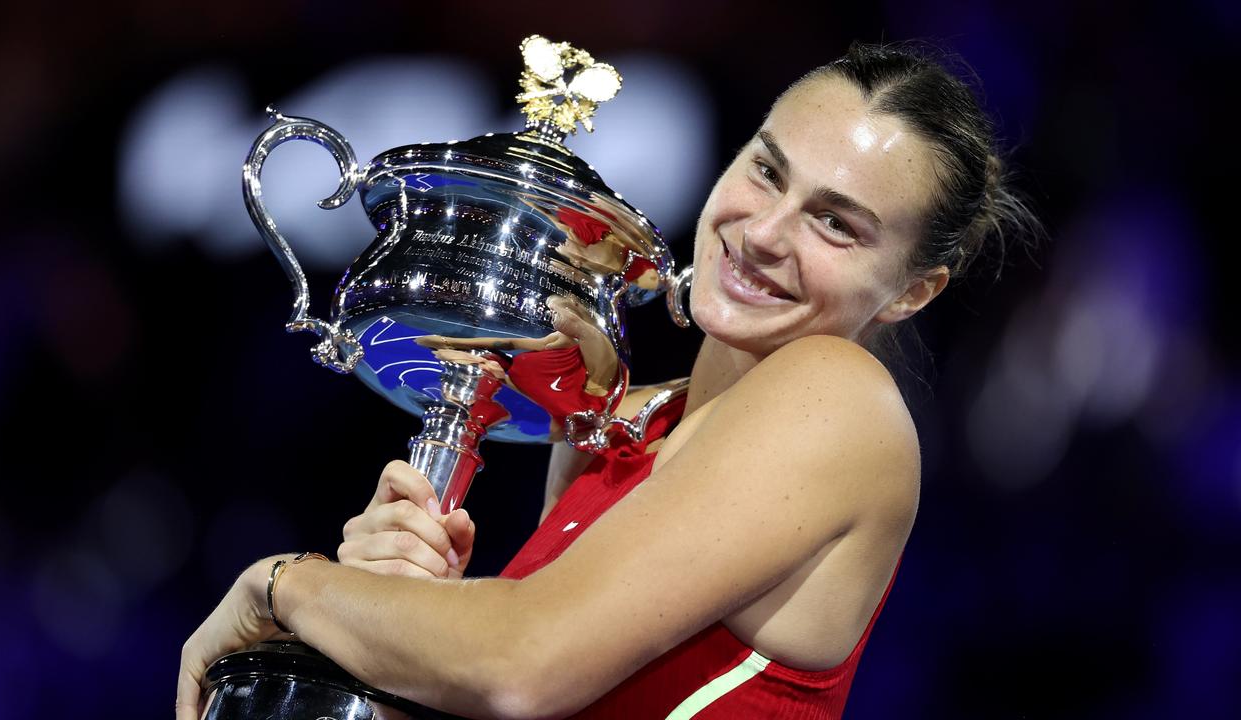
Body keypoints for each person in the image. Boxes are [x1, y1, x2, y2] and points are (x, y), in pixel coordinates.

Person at [177, 42, 1041, 719]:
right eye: (767, 170)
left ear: (914, 291)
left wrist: (282, 585)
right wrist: (393, 615)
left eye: (836, 223)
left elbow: (522, 665)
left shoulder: (839, 395)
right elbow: (514, 683)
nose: (766, 232)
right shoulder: (619, 421)